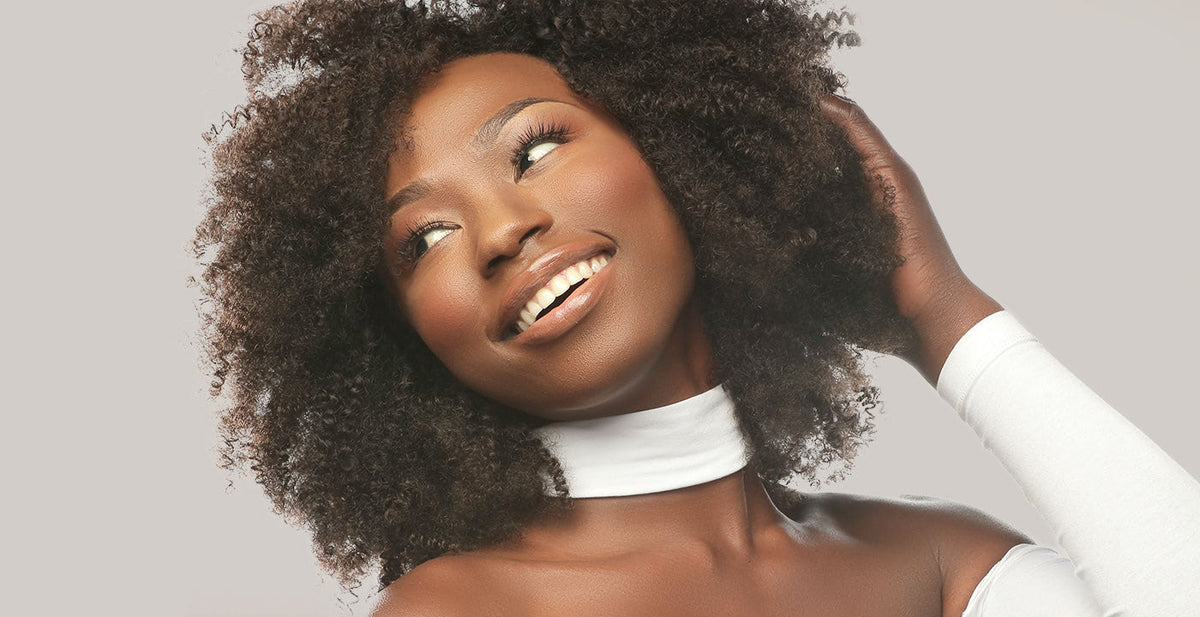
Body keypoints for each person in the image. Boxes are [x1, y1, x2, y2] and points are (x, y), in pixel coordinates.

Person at [193, 1, 1200, 615]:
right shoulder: (457, 610)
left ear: (676, 154)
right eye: (425, 239)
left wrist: (948, 319)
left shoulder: (935, 565)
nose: (501, 230)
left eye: (535, 148)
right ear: (403, 339)